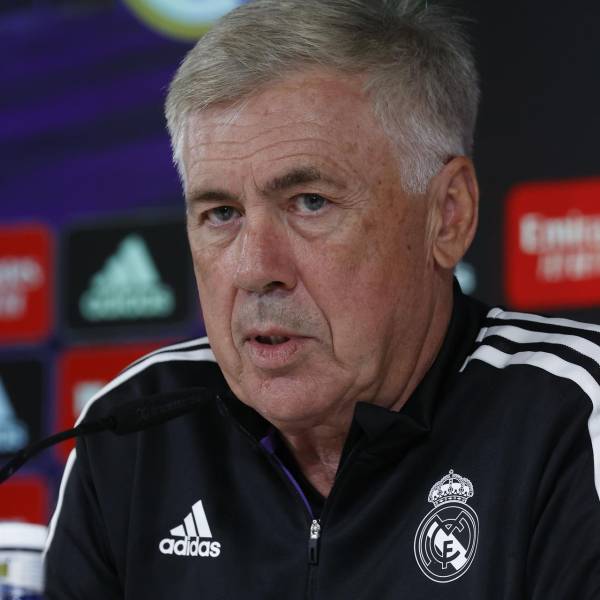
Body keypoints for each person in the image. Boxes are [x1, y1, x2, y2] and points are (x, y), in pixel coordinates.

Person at [44, 0, 600, 597]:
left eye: (310, 202)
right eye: (222, 213)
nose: (255, 269)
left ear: (447, 215)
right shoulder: (133, 433)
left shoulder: (572, 417)